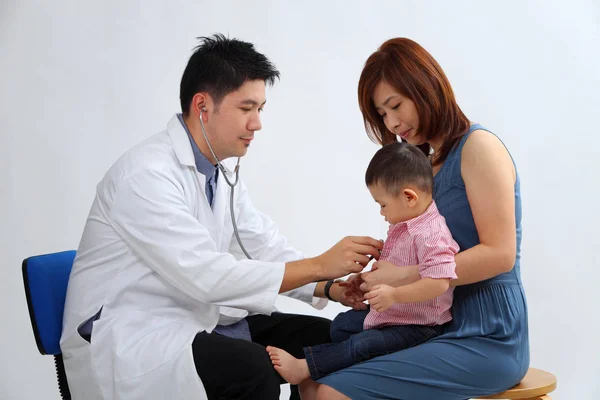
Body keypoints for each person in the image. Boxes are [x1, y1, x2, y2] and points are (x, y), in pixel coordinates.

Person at [59, 34, 382, 400]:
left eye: (260, 109)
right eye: (247, 109)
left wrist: (328, 287)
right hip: (135, 327)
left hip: (193, 313)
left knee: (330, 341)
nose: (257, 123)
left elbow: (261, 244)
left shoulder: (218, 171)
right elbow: (205, 276)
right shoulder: (145, 175)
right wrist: (319, 266)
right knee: (252, 370)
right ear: (203, 106)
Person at [304, 37, 530, 400]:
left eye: (396, 106)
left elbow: (501, 254)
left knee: (331, 392)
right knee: (311, 379)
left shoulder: (478, 147)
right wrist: (378, 281)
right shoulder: (425, 166)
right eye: (382, 114)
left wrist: (405, 277)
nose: (393, 123)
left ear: (425, 87)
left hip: (489, 332)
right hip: (433, 322)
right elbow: (426, 253)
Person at [266, 141, 460, 384]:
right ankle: (343, 365)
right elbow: (391, 271)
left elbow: (439, 282)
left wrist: (394, 296)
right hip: (393, 315)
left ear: (409, 197)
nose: (381, 212)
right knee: (341, 326)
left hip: (419, 326)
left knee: (363, 343)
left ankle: (306, 367)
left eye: (383, 205)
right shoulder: (403, 226)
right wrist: (365, 280)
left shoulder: (432, 234)